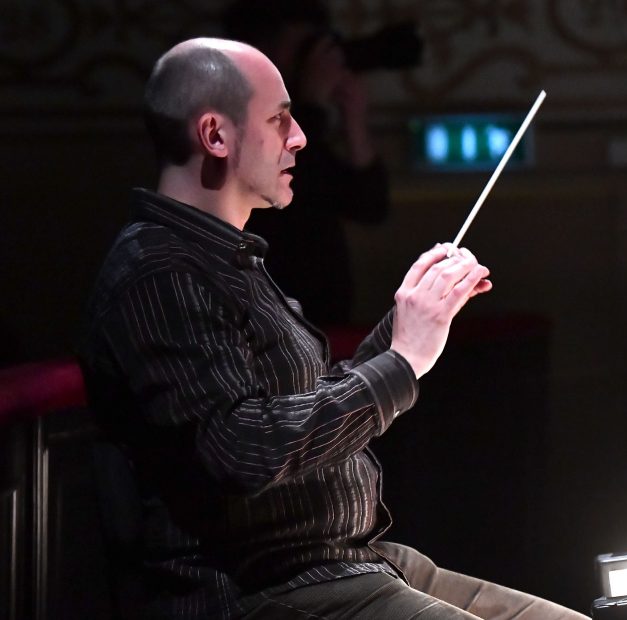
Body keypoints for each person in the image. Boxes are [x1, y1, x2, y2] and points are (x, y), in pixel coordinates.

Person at [78, 38, 586, 619]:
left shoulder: (221, 258)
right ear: (216, 135)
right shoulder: (158, 271)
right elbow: (242, 450)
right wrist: (401, 363)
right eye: (280, 119)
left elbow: (299, 406)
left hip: (343, 562)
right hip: (259, 589)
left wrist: (411, 321)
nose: (299, 137)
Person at [221, 0, 421, 327]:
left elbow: (370, 207)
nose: (311, 62)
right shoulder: (230, 120)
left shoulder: (306, 126)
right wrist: (311, 106)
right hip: (264, 319)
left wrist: (354, 120)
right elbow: (282, 199)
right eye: (301, 50)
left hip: (324, 318)